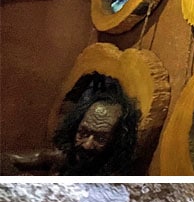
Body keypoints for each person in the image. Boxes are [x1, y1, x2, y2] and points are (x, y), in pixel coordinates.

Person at [10, 74, 141, 176]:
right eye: (83, 133)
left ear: (117, 142)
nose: (87, 144)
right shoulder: (66, 157)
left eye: (100, 139)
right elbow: (7, 160)